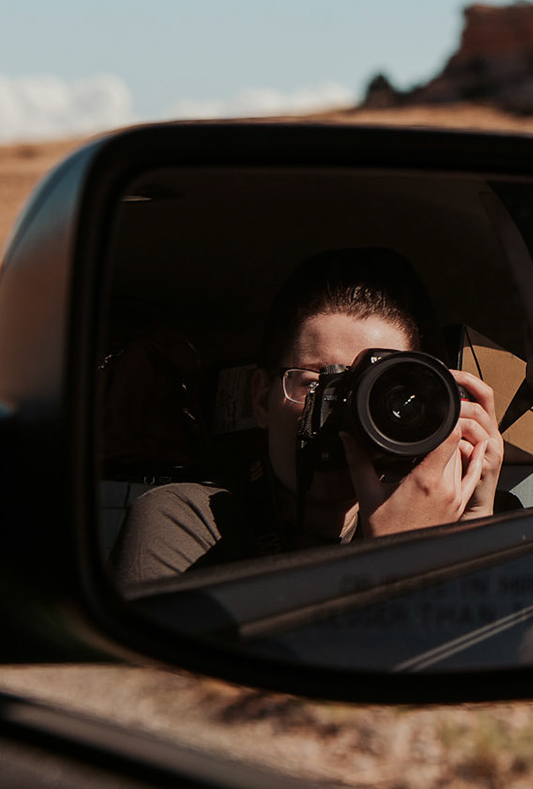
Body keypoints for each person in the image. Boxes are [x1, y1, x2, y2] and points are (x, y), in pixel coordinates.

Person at [111, 247, 504, 585]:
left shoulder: (453, 521)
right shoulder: (188, 522)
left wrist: (473, 527)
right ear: (262, 400)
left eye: (378, 393)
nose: (347, 414)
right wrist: (399, 561)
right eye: (321, 383)